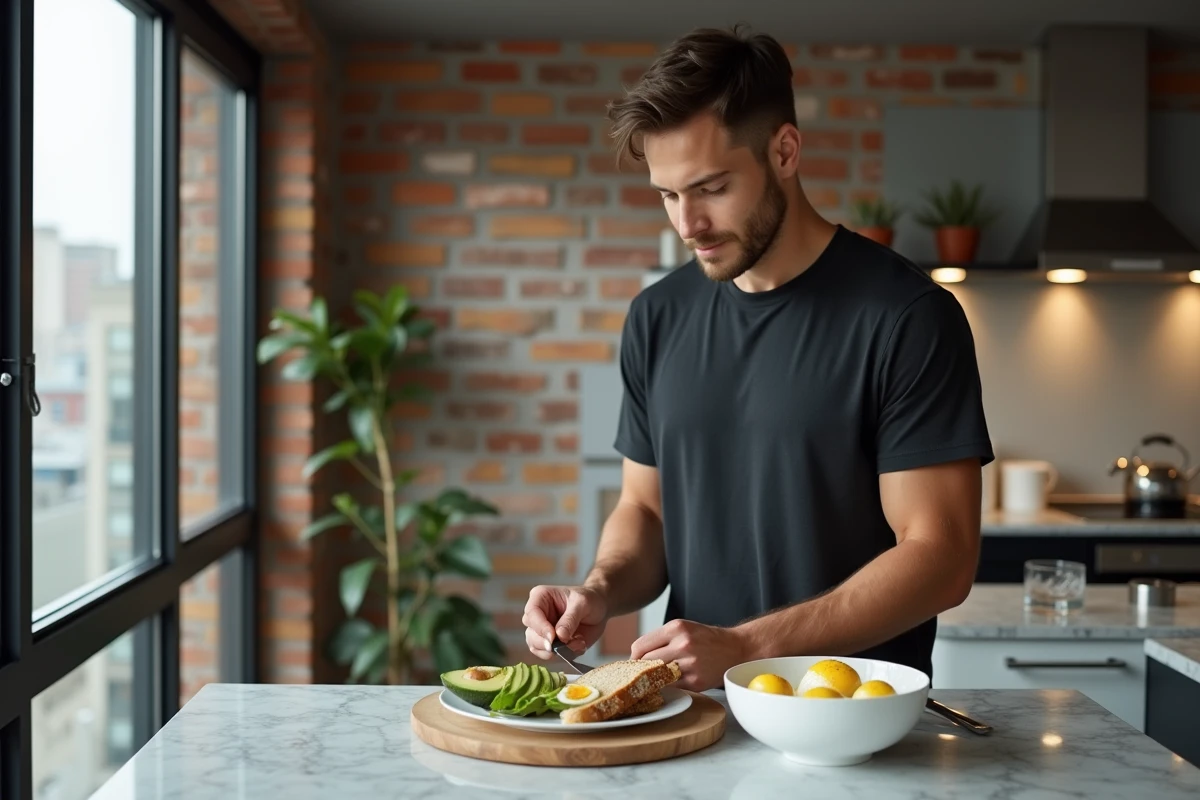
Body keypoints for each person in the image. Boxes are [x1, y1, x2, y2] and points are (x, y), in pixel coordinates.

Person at [522, 24, 994, 692]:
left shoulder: (906, 316)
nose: (688, 224)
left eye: (711, 188)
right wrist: (598, 590)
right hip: (693, 710)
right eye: (667, 194)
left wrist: (748, 645)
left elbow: (941, 555)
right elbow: (647, 512)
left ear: (785, 151)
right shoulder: (657, 317)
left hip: (853, 720)